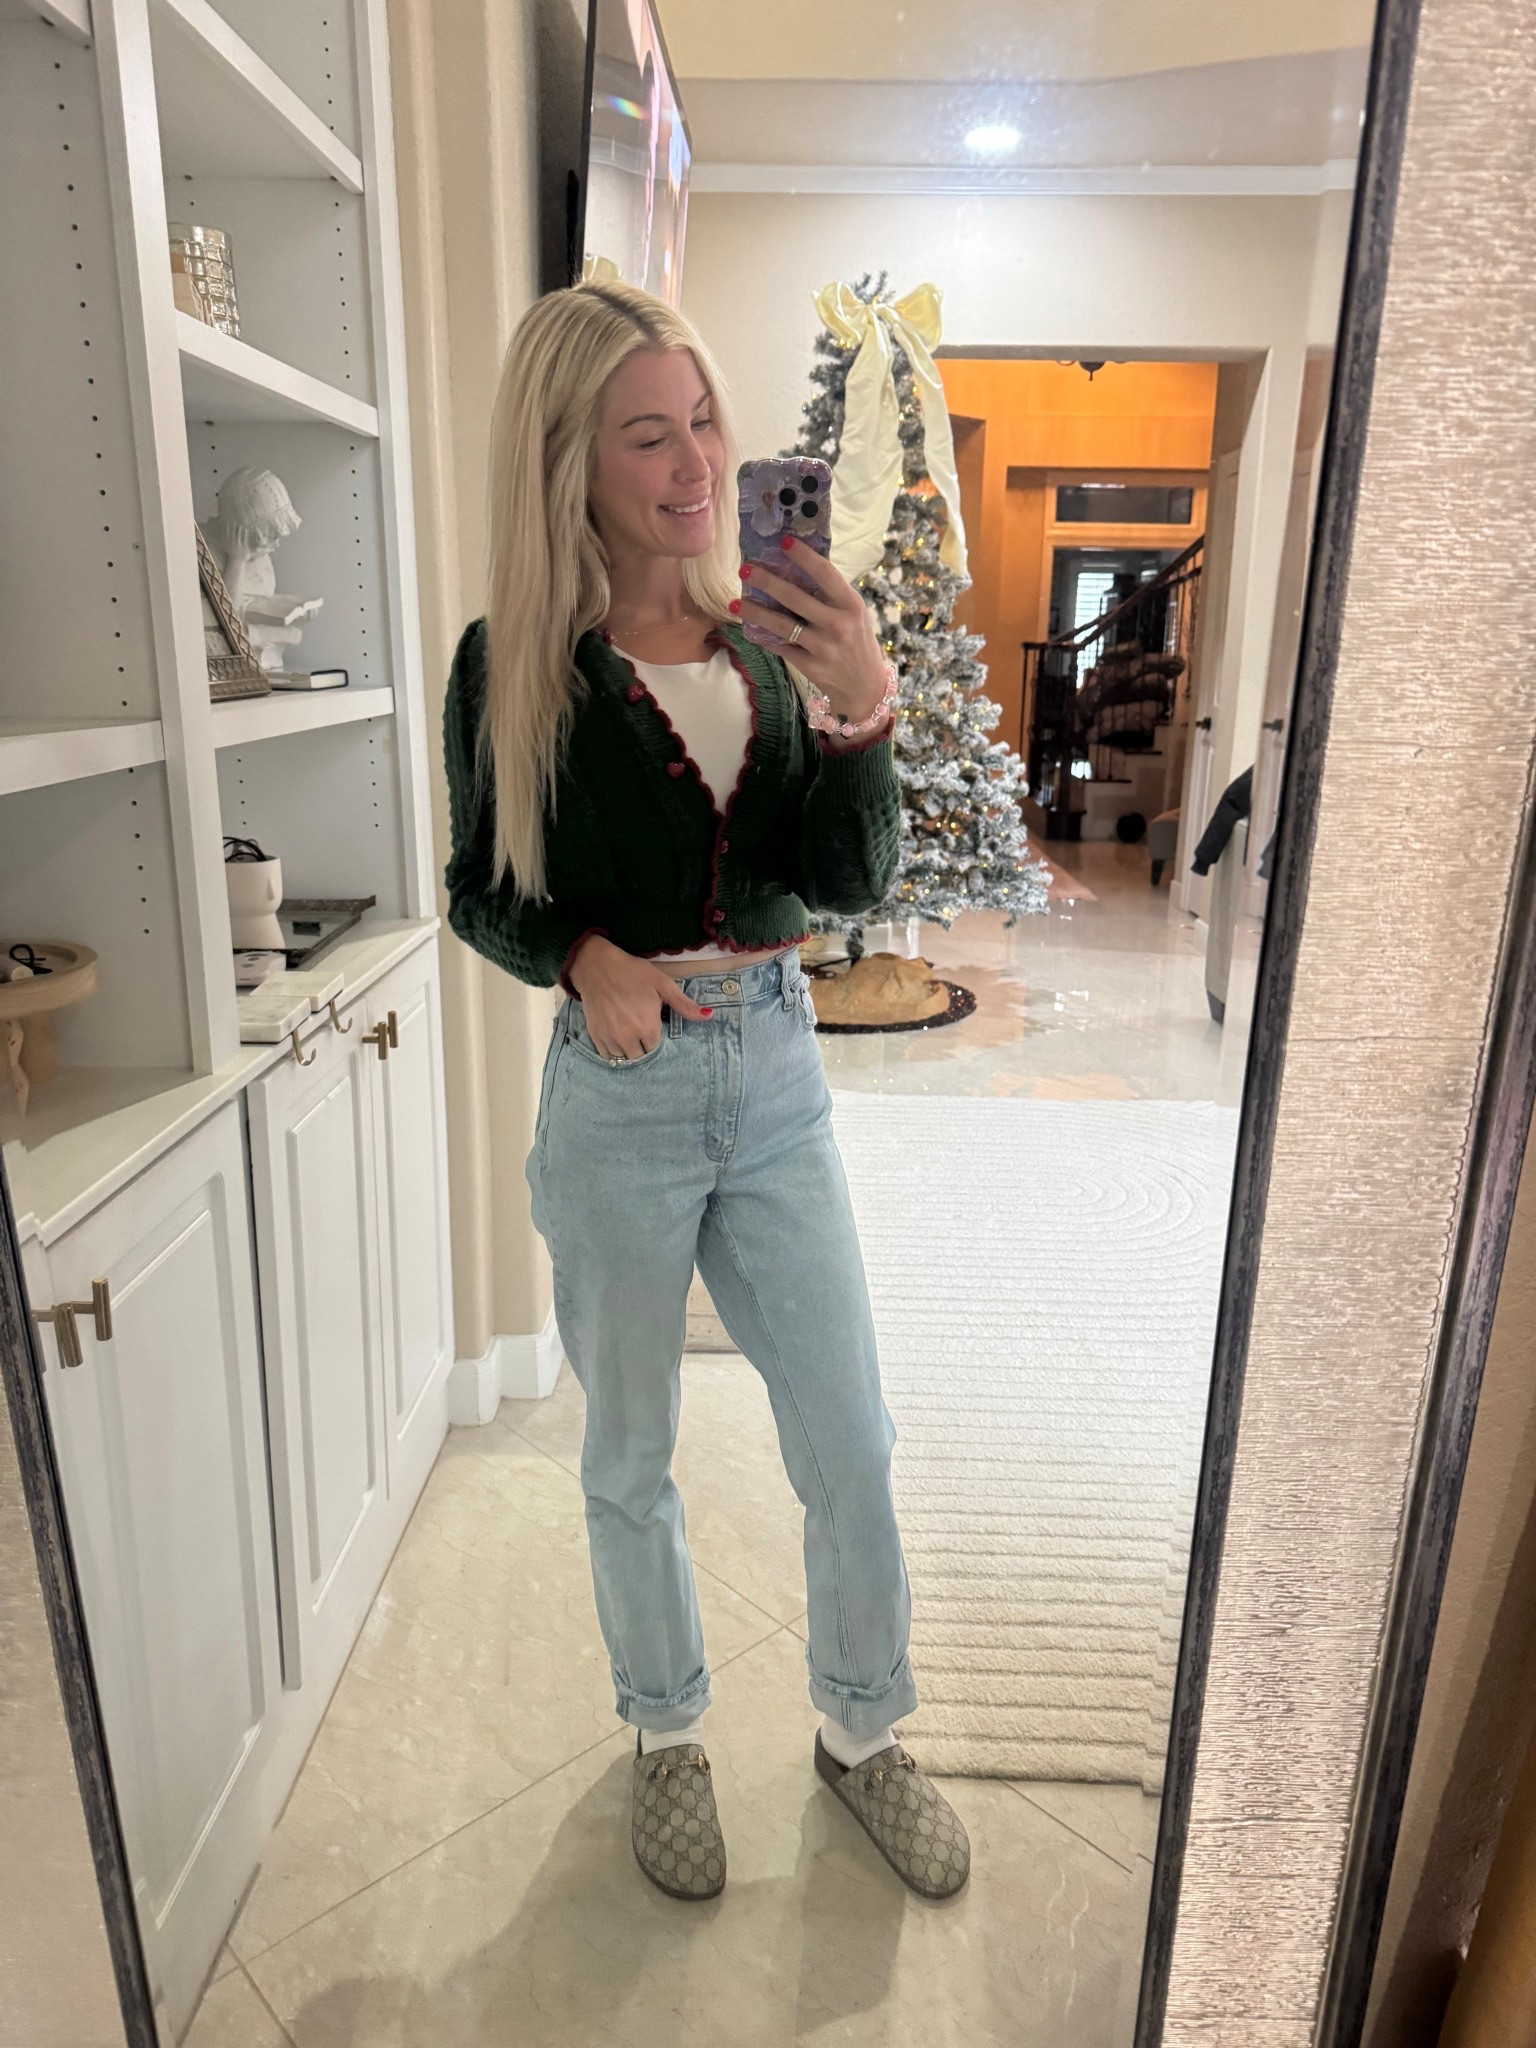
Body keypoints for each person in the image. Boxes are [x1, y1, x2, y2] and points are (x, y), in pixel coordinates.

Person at [442, 280, 970, 1905]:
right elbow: (478, 890)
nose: (693, 466)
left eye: (704, 425)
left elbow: (844, 881)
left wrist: (862, 709)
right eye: (647, 436)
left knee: (850, 1434)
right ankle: (666, 1733)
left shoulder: (769, 646)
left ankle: (863, 1732)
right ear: (571, 462)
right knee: (630, 1448)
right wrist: (581, 954)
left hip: (782, 1075)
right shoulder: (515, 667)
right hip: (620, 1094)